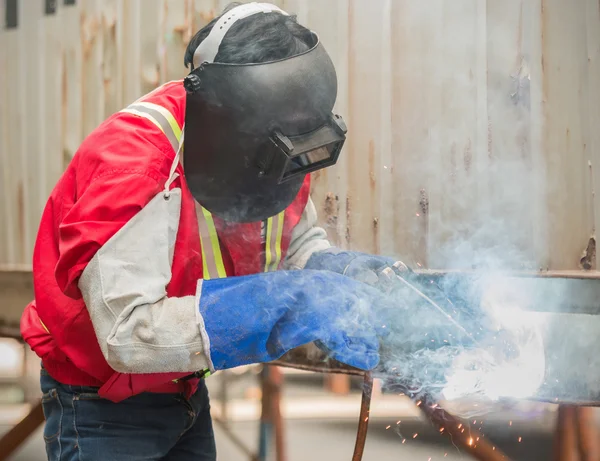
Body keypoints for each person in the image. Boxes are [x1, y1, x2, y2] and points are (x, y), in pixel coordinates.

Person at [20, 3, 408, 460]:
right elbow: (129, 336)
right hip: (99, 400)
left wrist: (334, 269)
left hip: (183, 385)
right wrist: (283, 301)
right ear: (229, 123)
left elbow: (291, 243)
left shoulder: (281, 140)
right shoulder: (136, 165)